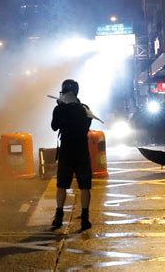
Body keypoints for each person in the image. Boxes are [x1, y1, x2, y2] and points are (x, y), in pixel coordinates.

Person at [51, 79, 93, 232]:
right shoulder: (85, 109)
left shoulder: (59, 110)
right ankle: (85, 218)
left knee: (62, 185)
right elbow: (87, 126)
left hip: (66, 150)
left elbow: (54, 127)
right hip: (81, 150)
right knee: (85, 186)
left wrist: (61, 109)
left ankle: (59, 215)